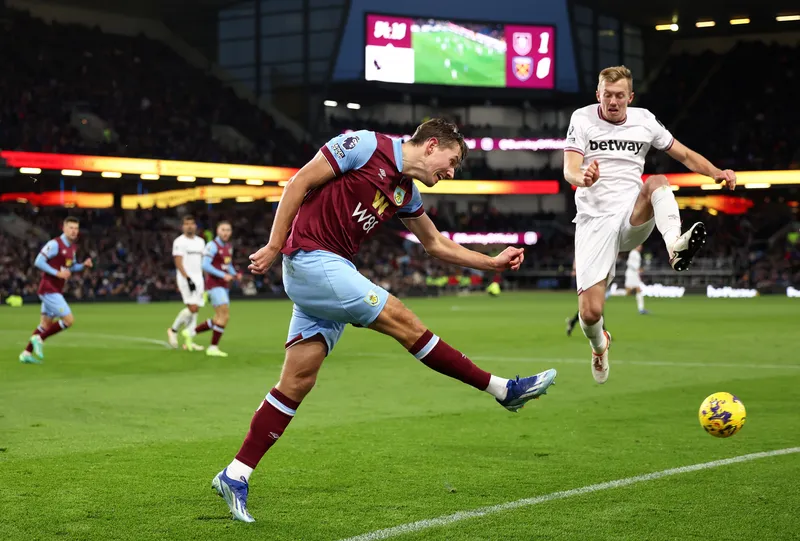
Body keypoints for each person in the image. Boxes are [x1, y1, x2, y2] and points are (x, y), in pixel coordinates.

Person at [211, 119, 558, 522]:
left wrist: (492, 262)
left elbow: (434, 243)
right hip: (311, 260)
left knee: (297, 381)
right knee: (402, 318)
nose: (450, 172)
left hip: (330, 271)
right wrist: (274, 245)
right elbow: (298, 184)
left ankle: (235, 473)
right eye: (452, 161)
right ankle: (503, 390)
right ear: (431, 145)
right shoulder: (362, 145)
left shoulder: (404, 191)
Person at [563, 65, 736, 384]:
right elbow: (570, 168)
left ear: (630, 97)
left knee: (657, 180)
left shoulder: (645, 120)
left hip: (633, 212)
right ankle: (600, 345)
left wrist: (716, 173)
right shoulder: (582, 118)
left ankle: (675, 246)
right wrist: (582, 177)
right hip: (594, 219)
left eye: (619, 96)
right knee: (590, 314)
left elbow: (682, 153)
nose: (613, 102)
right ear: (597, 94)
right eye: (607, 95)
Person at [19, 216, 93, 364]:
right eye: (71, 228)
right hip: (49, 289)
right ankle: (39, 338)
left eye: (76, 228)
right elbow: (38, 261)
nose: (74, 231)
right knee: (68, 320)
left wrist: (83, 265)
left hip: (56, 289)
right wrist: (57, 273)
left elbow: (70, 267)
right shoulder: (54, 244)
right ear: (64, 228)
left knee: (45, 325)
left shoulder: (72, 248)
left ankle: (26, 353)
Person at [182, 221, 241, 357]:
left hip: (223, 285)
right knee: (224, 316)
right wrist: (223, 275)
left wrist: (234, 274)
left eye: (228, 230)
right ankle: (213, 347)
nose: (225, 232)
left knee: (218, 317)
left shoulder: (228, 246)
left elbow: (227, 264)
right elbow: (205, 265)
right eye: (223, 229)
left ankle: (190, 332)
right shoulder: (212, 246)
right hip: (214, 285)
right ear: (218, 231)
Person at [167, 215, 206, 351]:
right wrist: (187, 278)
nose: (189, 226)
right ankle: (173, 330)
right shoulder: (179, 242)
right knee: (193, 308)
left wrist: (204, 279)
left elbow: (203, 262)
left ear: (195, 226)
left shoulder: (201, 242)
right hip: (186, 278)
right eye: (187, 224)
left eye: (192, 223)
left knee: (196, 310)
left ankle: (188, 341)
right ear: (182, 226)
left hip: (199, 278)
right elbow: (178, 261)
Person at [625, 245, 648, 315]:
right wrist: (637, 268)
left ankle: (641, 309)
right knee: (628, 291)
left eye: (641, 246)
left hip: (634, 274)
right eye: (639, 246)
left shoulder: (636, 253)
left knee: (638, 289)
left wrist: (638, 270)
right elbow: (629, 263)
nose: (640, 247)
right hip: (631, 274)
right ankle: (611, 294)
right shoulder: (633, 253)